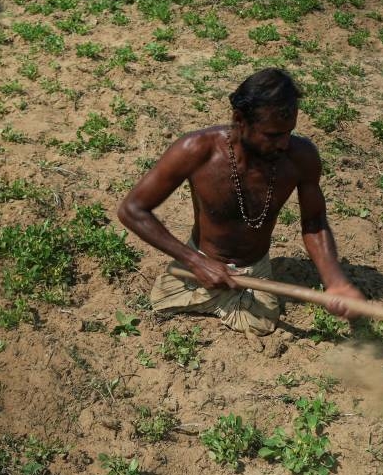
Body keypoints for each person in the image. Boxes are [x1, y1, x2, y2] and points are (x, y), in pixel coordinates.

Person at [117, 68, 365, 336]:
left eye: (288, 132)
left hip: (254, 271)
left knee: (260, 324)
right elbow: (132, 209)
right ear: (240, 120)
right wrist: (195, 262)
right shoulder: (197, 151)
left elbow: (314, 222)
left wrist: (335, 280)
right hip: (200, 262)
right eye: (272, 135)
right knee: (162, 301)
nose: (283, 143)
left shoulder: (300, 157)